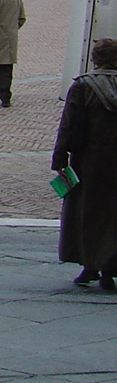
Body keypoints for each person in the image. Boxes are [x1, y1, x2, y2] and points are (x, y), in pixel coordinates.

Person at [53, 38, 117, 289]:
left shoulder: (83, 87)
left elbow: (67, 125)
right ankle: (110, 268)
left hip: (90, 160)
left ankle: (90, 264)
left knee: (88, 213)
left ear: (95, 60)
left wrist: (60, 158)